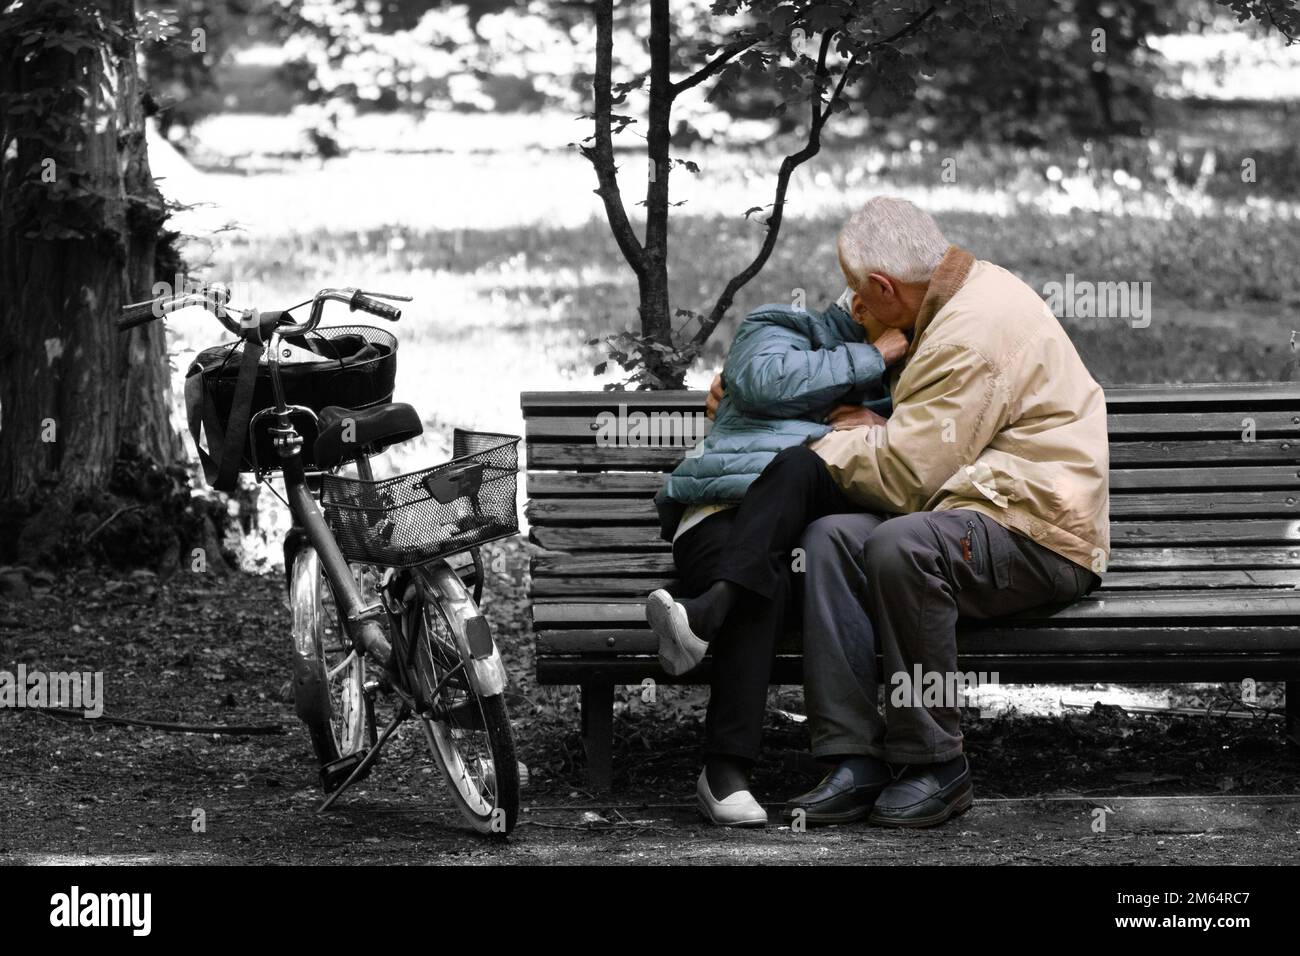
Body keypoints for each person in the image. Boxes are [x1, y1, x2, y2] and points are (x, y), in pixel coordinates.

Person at [779, 197, 1111, 828]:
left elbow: (905, 479)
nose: (857, 309)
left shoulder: (969, 331)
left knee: (902, 544)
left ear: (885, 285)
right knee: (827, 539)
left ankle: (936, 762)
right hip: (978, 507)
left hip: (1043, 535)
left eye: (860, 295)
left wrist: (822, 439)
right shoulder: (949, 298)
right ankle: (854, 757)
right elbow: (928, 447)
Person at [647, 293, 907, 827]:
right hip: (720, 512)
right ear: (863, 305)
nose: (909, 326)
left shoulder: (915, 363)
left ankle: (705, 614)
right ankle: (724, 775)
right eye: (898, 313)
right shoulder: (779, 326)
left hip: (808, 537)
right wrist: (873, 357)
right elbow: (765, 380)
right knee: (758, 574)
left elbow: (932, 432)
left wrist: (885, 425)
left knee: (800, 468)